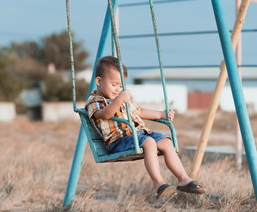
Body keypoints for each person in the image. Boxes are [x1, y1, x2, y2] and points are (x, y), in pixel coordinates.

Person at [85, 56, 206, 200]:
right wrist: (119, 100)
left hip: (139, 134)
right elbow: (104, 115)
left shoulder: (121, 98)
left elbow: (140, 111)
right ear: (99, 81)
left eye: (121, 86)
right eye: (114, 85)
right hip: (118, 141)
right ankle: (159, 184)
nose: (118, 89)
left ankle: (183, 179)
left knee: (167, 142)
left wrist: (161, 114)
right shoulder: (94, 101)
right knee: (149, 142)